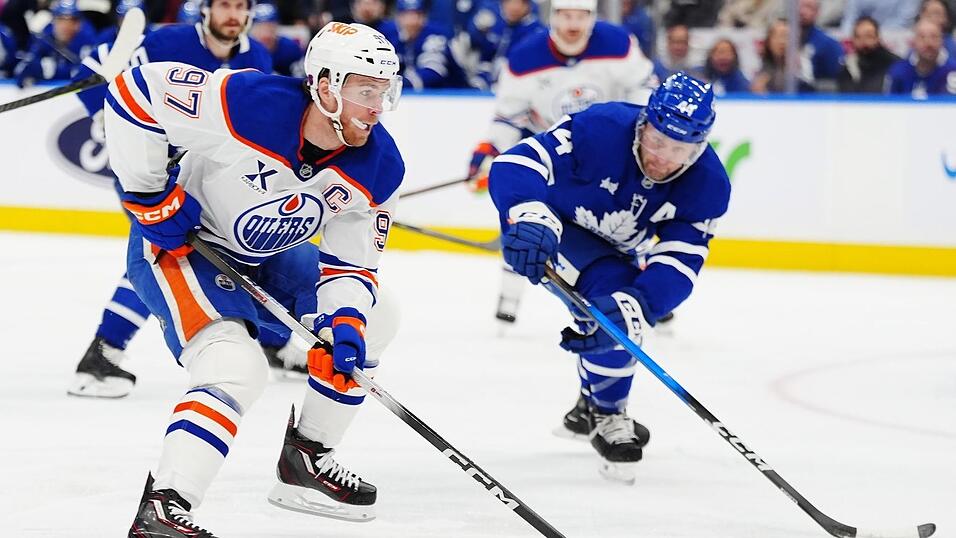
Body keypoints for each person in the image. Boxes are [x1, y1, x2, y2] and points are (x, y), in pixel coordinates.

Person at [104, 21, 404, 536]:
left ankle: (305, 461)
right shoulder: (248, 102)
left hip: (270, 254)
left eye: (385, 91)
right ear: (327, 85)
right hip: (184, 245)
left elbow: (352, 264)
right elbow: (134, 92)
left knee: (378, 317)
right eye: (366, 90)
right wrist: (149, 195)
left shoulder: (379, 166)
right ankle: (163, 508)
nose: (378, 106)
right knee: (235, 366)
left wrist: (346, 320)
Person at [486, 72, 730, 483]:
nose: (662, 157)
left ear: (700, 146)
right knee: (610, 300)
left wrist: (642, 305)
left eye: (679, 149)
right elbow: (518, 162)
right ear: (644, 124)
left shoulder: (707, 185)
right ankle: (607, 412)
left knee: (619, 312)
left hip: (613, 249)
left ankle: (590, 407)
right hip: (549, 225)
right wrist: (528, 211)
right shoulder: (599, 127)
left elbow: (680, 259)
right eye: (657, 141)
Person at [67, 0, 274, 398]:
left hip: (205, 177)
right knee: (161, 253)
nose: (233, 15)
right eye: (224, 6)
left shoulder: (257, 56)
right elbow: (90, 72)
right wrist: (107, 114)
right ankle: (101, 354)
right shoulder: (167, 42)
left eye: (240, 7)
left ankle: (274, 343)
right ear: (206, 11)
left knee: (240, 252)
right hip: (151, 172)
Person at [468, 0, 656, 326]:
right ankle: (509, 297)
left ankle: (646, 293)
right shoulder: (525, 57)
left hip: (611, 154)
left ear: (592, 18)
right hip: (554, 157)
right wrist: (490, 149)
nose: (573, 24)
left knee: (625, 225)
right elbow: (509, 117)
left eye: (581, 17)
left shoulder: (618, 44)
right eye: (566, 16)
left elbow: (645, 86)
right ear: (553, 17)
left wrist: (637, 128)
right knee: (525, 218)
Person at [385, 0, 472, 89]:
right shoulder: (391, 34)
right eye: (406, 15)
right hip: (416, 94)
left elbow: (433, 71)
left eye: (417, 15)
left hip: (451, 93)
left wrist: (401, 84)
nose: (412, 21)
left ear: (424, 17)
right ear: (398, 17)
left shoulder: (435, 34)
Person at [13, 0, 97, 87]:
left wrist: (52, 70)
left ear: (78, 24)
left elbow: (87, 75)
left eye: (71, 20)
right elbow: (24, 66)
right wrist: (27, 69)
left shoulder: (87, 41)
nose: (65, 26)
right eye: (60, 19)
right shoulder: (45, 37)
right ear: (53, 20)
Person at [464, 0, 545, 87]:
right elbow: (487, 58)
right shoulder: (499, 26)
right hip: (491, 85)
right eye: (507, 2)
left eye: (516, 2)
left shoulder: (536, 32)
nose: (511, 7)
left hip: (518, 85)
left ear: (527, 5)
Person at [888, 18, 956, 97]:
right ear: (913, 41)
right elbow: (889, 103)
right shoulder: (898, 70)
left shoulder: (953, 69)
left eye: (934, 37)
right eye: (922, 37)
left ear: (942, 40)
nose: (928, 43)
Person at [837, 15, 900, 93]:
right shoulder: (848, 65)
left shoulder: (895, 64)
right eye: (858, 37)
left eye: (869, 36)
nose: (863, 42)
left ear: (878, 38)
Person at [751, 19, 815, 93]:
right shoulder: (761, 64)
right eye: (777, 36)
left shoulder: (803, 62)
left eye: (786, 36)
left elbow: (809, 91)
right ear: (769, 40)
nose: (781, 42)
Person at [797, 0, 844, 91]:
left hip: (815, 100)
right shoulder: (781, 40)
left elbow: (835, 82)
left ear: (817, 12)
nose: (802, 11)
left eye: (808, 7)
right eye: (799, 6)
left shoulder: (829, 45)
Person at [250, 2, 305, 76]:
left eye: (270, 28)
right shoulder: (243, 51)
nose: (266, 34)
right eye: (260, 28)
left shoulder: (291, 49)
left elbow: (301, 80)